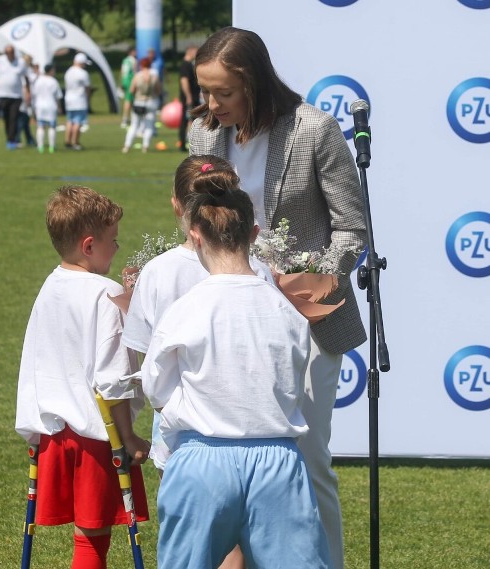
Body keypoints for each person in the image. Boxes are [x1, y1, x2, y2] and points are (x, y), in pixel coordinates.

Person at [187, 26, 367, 569]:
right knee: (230, 455)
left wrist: (317, 281)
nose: (212, 105)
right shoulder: (203, 134)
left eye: (224, 93)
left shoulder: (313, 129)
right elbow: (194, 222)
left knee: (308, 456)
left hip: (307, 317)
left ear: (255, 85)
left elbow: (351, 229)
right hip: (228, 314)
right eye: (206, 90)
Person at [141, 181, 331, 569]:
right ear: (255, 234)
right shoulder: (286, 312)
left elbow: (155, 387)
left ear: (195, 237)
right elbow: (290, 379)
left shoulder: (184, 309)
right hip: (277, 461)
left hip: (201, 459)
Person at [123, 155, 274, 569]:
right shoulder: (256, 268)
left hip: (179, 428)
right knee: (235, 541)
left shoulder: (157, 271)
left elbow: (141, 353)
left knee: (188, 539)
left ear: (177, 205)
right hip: (247, 423)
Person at [15, 185, 151, 569]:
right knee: (92, 541)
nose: (118, 248)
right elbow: (113, 379)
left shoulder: (51, 283)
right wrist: (129, 438)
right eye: (113, 240)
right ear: (89, 245)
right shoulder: (105, 294)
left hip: (53, 432)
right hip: (97, 435)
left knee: (88, 536)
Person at [0, 45, 31, 150]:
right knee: (7, 117)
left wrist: (27, 91)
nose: (9, 55)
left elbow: (26, 76)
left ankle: (12, 139)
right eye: (7, 53)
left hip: (16, 95)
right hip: (2, 94)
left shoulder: (21, 62)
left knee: (14, 117)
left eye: (11, 52)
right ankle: (9, 138)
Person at [121, 57, 161, 154]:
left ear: (141, 65)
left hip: (138, 102)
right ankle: (145, 146)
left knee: (134, 125)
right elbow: (158, 91)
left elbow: (131, 90)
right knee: (149, 126)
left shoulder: (137, 76)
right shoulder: (154, 76)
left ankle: (127, 146)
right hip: (151, 102)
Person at [63, 52, 92, 150]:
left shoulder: (68, 71)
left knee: (69, 121)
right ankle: (75, 142)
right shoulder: (83, 73)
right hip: (79, 100)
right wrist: (88, 98)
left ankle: (67, 140)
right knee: (77, 122)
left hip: (69, 99)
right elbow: (87, 88)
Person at [32, 63, 62, 154]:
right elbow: (58, 96)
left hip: (40, 105)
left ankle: (40, 146)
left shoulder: (38, 81)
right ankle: (51, 147)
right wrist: (59, 107)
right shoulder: (53, 81)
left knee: (40, 126)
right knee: (52, 126)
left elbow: (34, 94)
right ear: (51, 70)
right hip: (51, 105)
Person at [178, 45, 199, 151]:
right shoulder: (185, 65)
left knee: (194, 120)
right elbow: (184, 81)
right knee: (186, 120)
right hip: (189, 98)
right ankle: (183, 144)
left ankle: (193, 143)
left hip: (193, 97)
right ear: (190, 51)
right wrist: (188, 96)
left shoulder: (190, 64)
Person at [119, 46, 137, 128]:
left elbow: (122, 72)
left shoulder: (124, 60)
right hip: (130, 81)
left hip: (125, 81)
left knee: (130, 100)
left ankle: (131, 118)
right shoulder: (133, 60)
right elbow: (134, 71)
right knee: (128, 101)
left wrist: (122, 83)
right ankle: (125, 119)